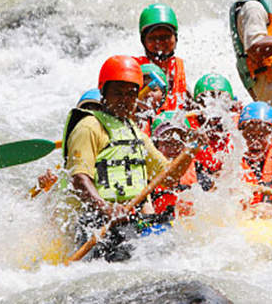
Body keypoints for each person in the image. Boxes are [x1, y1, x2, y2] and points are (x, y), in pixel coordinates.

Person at [62, 55, 201, 262]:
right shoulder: (89, 127)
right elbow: (79, 179)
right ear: (103, 92)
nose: (125, 100)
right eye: (118, 93)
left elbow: (169, 178)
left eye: (130, 94)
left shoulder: (134, 131)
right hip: (98, 222)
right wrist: (107, 209)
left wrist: (191, 150)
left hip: (133, 220)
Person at [134, 3, 190, 111]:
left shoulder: (176, 68)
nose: (160, 42)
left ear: (176, 37)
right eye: (152, 38)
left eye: (166, 36)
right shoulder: (135, 69)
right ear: (143, 41)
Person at [149, 111, 202, 217]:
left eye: (178, 143)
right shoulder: (147, 178)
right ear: (156, 145)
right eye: (167, 143)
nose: (173, 148)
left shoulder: (200, 176)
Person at [189, 73, 239, 177]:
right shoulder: (188, 128)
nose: (215, 106)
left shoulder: (237, 124)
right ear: (198, 106)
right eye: (208, 100)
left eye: (222, 100)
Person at [136, 63, 168, 136]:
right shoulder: (126, 116)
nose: (148, 94)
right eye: (143, 88)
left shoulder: (165, 119)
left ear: (162, 95)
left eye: (154, 90)